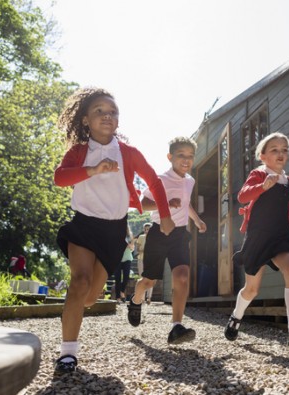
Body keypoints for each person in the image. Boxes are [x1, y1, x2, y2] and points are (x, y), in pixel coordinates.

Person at [53, 87, 175, 374]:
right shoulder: (79, 151)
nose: (107, 116)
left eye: (113, 112)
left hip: (113, 231)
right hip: (83, 225)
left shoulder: (128, 153)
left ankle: (74, 307)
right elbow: (60, 178)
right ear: (85, 120)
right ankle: (68, 353)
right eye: (99, 111)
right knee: (79, 282)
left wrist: (166, 215)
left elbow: (154, 182)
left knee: (91, 297)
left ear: (118, 121)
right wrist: (92, 169)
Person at [224, 132, 289, 346]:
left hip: (281, 235)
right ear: (263, 156)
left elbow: (285, 205)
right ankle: (236, 316)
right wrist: (262, 186)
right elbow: (242, 196)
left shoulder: (288, 182)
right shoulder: (259, 174)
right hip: (258, 237)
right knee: (252, 289)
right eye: (274, 150)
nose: (280, 154)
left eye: (284, 150)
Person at [127, 136, 207, 344]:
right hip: (158, 233)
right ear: (170, 157)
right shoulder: (160, 179)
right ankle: (136, 301)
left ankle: (176, 327)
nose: (186, 160)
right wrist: (166, 204)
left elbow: (186, 203)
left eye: (190, 156)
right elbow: (143, 204)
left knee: (182, 276)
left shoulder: (190, 181)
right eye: (181, 155)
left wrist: (197, 220)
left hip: (179, 234)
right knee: (149, 281)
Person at [134, 222, 153, 303]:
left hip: (151, 260)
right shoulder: (141, 237)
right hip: (141, 259)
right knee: (142, 278)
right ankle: (142, 297)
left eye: (148, 229)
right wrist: (143, 250)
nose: (146, 230)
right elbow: (138, 249)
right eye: (145, 229)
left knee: (150, 278)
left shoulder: (154, 238)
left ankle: (149, 297)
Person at [115, 228, 135, 303]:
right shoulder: (116, 235)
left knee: (126, 277)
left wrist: (129, 246)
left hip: (127, 258)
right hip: (117, 259)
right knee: (118, 278)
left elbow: (133, 248)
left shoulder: (130, 236)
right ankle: (118, 297)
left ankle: (122, 291)